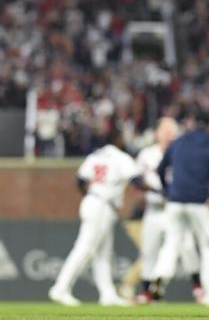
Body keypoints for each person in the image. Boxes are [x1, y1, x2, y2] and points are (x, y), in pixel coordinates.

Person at [49, 125, 141, 306]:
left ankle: (107, 294)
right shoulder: (120, 157)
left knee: (103, 253)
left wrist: (91, 195)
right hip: (102, 205)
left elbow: (79, 180)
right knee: (85, 248)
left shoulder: (95, 156)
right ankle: (60, 288)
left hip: (92, 200)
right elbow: (136, 180)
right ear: (118, 139)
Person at [151, 109, 209, 305]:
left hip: (175, 201)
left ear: (193, 122)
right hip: (198, 201)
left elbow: (160, 169)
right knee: (208, 245)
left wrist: (167, 190)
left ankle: (160, 276)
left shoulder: (179, 142)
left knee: (171, 243)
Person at [134, 116, 204, 303]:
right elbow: (137, 181)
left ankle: (198, 287)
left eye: (172, 132)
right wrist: (141, 195)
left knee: (187, 246)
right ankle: (148, 292)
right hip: (154, 208)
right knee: (149, 251)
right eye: (165, 131)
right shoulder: (146, 154)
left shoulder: (182, 152)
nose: (168, 136)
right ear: (156, 133)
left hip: (175, 208)